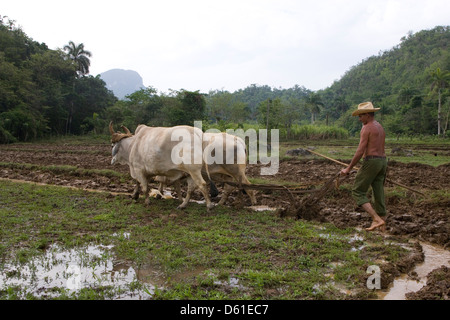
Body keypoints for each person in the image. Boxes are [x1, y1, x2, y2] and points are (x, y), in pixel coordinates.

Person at [340, 102, 387, 231]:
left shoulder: (366, 128)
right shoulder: (379, 127)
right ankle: (383, 226)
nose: (359, 119)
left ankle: (376, 219)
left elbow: (360, 151)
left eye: (360, 116)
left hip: (371, 161)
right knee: (378, 191)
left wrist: (348, 168)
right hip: (382, 161)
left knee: (357, 191)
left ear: (367, 114)